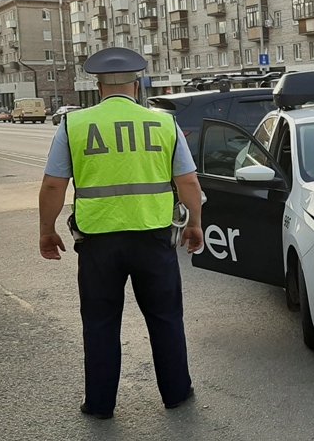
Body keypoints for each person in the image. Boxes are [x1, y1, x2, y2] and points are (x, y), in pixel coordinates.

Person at [38, 47, 204, 420]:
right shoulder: (163, 123)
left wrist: (46, 230)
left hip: (99, 243)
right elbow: (189, 181)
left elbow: (53, 186)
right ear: (137, 84)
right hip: (154, 238)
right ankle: (177, 393)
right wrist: (194, 222)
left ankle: (99, 404)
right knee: (165, 319)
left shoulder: (74, 125)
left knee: (100, 324)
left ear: (98, 85)